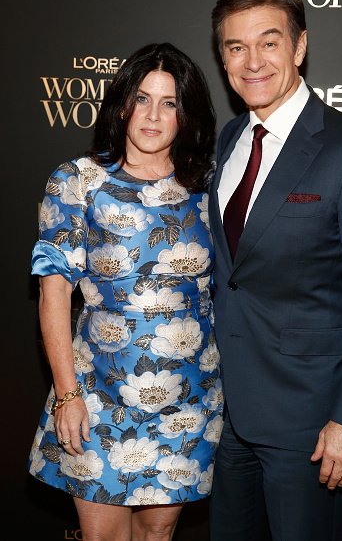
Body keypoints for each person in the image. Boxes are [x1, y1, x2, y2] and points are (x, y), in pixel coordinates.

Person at [208, 0, 342, 541]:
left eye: (269, 42)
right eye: (235, 47)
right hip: (228, 418)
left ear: (299, 46)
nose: (252, 62)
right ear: (222, 57)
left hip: (312, 425)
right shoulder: (229, 141)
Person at [28, 42, 224, 541]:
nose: (153, 115)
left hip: (190, 395)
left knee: (158, 533)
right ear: (121, 104)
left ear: (187, 114)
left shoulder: (207, 186)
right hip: (98, 392)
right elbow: (54, 295)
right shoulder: (78, 182)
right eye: (142, 98)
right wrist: (67, 395)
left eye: (169, 102)